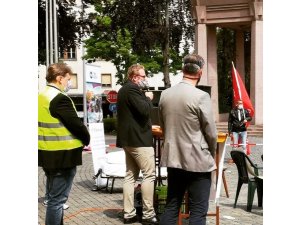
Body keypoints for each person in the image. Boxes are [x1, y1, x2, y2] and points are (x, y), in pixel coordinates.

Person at [158, 54, 217, 225]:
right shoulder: (201, 96)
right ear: (200, 73)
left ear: (182, 70)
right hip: (198, 160)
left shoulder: (165, 94)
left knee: (172, 206)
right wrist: (211, 153)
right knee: (198, 211)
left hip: (174, 158)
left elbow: (164, 127)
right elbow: (211, 133)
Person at [38, 63, 90, 225]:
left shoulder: (41, 95)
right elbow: (75, 124)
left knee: (54, 198)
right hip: (63, 156)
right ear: (59, 78)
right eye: (68, 79)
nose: (69, 83)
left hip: (48, 153)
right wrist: (86, 138)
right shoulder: (59, 98)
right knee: (57, 201)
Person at [116, 64, 158, 225]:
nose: (145, 79)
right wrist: (148, 98)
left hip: (129, 140)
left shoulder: (124, 89)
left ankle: (129, 214)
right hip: (139, 140)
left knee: (130, 176)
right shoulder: (132, 90)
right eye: (143, 76)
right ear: (134, 77)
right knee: (149, 174)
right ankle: (148, 214)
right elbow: (144, 110)